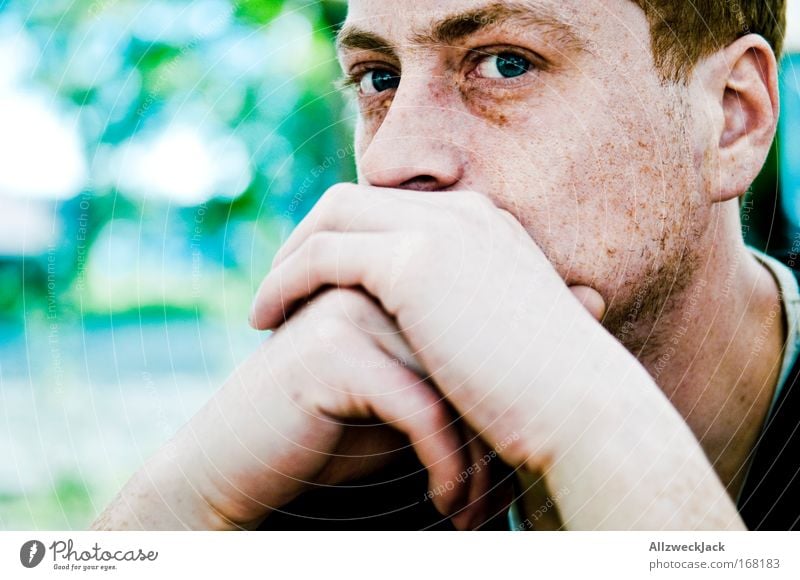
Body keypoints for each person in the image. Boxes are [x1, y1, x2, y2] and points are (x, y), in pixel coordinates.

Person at [91, 0, 797, 531]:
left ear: (731, 118)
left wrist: (592, 419)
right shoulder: (342, 472)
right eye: (378, 78)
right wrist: (189, 494)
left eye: (505, 63)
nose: (392, 161)